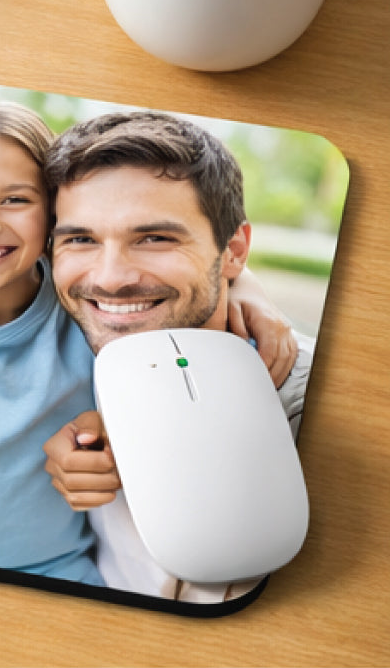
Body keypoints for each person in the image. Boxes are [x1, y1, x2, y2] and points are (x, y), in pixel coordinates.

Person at [0, 101, 296, 585]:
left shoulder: (91, 310)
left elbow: (194, 276)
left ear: (52, 212)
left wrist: (243, 285)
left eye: (15, 200)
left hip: (58, 577)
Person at [41, 110, 314, 602]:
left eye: (155, 238)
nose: (110, 278)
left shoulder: (316, 406)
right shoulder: (68, 343)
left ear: (234, 250)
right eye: (80, 239)